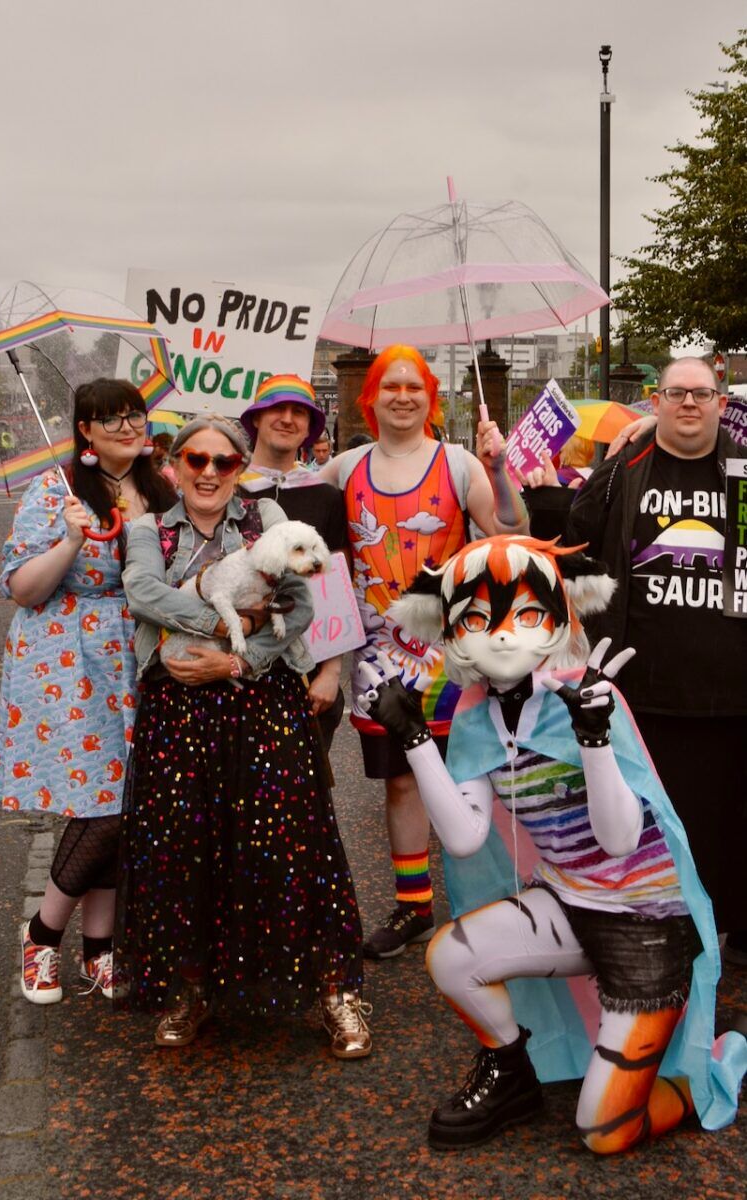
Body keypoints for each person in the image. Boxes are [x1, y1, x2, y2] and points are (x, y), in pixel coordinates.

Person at [357, 535, 744, 1153]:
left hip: (645, 924)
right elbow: (462, 838)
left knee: (604, 1133)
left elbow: (620, 841)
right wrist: (412, 737)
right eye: (478, 618)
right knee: (452, 959)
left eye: (528, 615)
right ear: (452, 632)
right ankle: (511, 1073)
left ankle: (698, 1078)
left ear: (562, 620)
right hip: (568, 903)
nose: (504, 636)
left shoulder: (587, 700)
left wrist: (593, 738)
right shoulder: (476, 716)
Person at [115, 414, 370, 1058]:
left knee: (294, 840)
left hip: (263, 701)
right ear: (173, 466)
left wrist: (236, 656)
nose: (207, 472)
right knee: (183, 845)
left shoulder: (268, 521)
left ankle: (335, 991)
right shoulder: (150, 530)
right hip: (178, 711)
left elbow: (304, 606)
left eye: (223, 462)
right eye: (194, 460)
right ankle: (190, 989)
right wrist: (235, 615)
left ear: (239, 470)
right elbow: (142, 592)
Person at [319, 345, 528, 959]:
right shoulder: (344, 468)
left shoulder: (459, 463)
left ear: (431, 396)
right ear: (372, 398)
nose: (403, 396)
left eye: (414, 386)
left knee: (475, 779)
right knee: (405, 783)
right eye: (391, 386)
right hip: (377, 662)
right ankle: (414, 907)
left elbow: (508, 534)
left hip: (453, 658)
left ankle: (493, 905)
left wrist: (499, 468)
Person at [0, 378, 176, 1004]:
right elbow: (21, 588)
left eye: (135, 414)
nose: (128, 426)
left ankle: (101, 950)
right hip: (69, 659)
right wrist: (71, 537)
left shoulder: (161, 488)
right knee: (102, 803)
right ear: (86, 432)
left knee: (129, 798)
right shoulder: (55, 491)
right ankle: (43, 938)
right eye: (110, 418)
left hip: (142, 653)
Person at [565, 357, 746, 945]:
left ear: (722, 403)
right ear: (656, 402)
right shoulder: (627, 470)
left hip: (731, 693)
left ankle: (720, 933)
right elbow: (576, 532)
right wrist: (613, 457)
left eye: (701, 394)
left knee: (725, 826)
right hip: (641, 694)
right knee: (651, 827)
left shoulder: (742, 470)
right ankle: (658, 928)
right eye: (675, 393)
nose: (688, 404)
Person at [238, 374, 347, 751]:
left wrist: (332, 672)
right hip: (239, 665)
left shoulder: (327, 496)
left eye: (298, 412)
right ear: (256, 419)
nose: (287, 419)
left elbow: (335, 585)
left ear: (309, 428)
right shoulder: (228, 489)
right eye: (277, 409)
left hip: (310, 670)